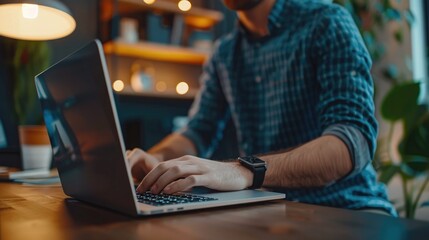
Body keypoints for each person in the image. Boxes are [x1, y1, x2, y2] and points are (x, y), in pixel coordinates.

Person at [127, 0, 397, 216]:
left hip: (349, 210)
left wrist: (244, 170)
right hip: (268, 211)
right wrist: (157, 160)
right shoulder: (225, 53)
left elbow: (352, 142)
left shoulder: (327, 23)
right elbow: (197, 132)